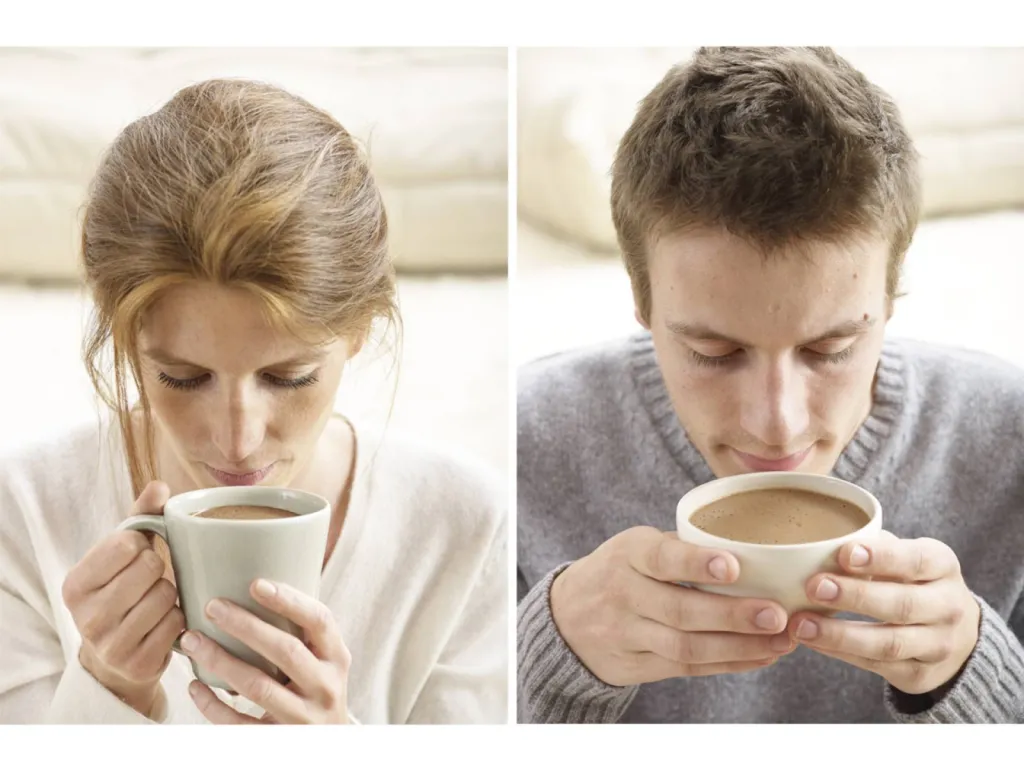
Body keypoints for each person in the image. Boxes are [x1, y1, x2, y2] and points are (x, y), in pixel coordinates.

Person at [517, 47, 1024, 724]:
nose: (777, 424)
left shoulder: (1008, 439)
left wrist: (969, 669)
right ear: (642, 303)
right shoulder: (524, 441)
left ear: (889, 299)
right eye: (714, 353)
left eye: (831, 349)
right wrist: (552, 658)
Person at [0, 79, 507, 725]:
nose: (237, 442)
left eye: (289, 377)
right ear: (125, 338)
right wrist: (109, 689)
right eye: (183, 378)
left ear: (359, 330)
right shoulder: (22, 513)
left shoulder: (464, 529)